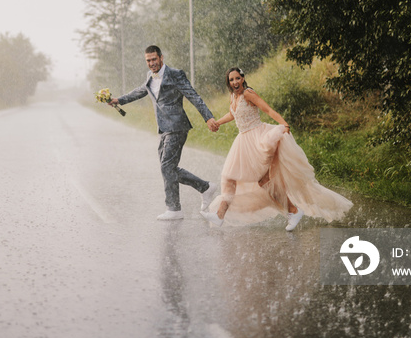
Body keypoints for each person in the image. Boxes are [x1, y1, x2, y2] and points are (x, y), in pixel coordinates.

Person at [200, 67, 352, 230]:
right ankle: (220, 216)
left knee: (264, 181)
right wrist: (218, 122)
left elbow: (267, 109)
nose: (235, 82)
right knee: (230, 177)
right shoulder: (233, 97)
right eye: (231, 80)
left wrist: (284, 124)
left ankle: (294, 211)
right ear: (228, 83)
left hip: (258, 138)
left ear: (243, 79)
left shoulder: (248, 94)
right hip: (243, 141)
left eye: (237, 78)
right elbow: (233, 114)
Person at [110, 45, 220, 220]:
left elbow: (193, 95)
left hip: (177, 126)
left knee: (166, 167)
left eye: (154, 59)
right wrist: (119, 100)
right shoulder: (149, 76)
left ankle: (176, 207)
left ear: (161, 57)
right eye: (148, 60)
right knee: (168, 168)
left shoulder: (175, 74)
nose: (152, 63)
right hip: (163, 129)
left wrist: (208, 117)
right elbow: (140, 91)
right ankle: (203, 189)